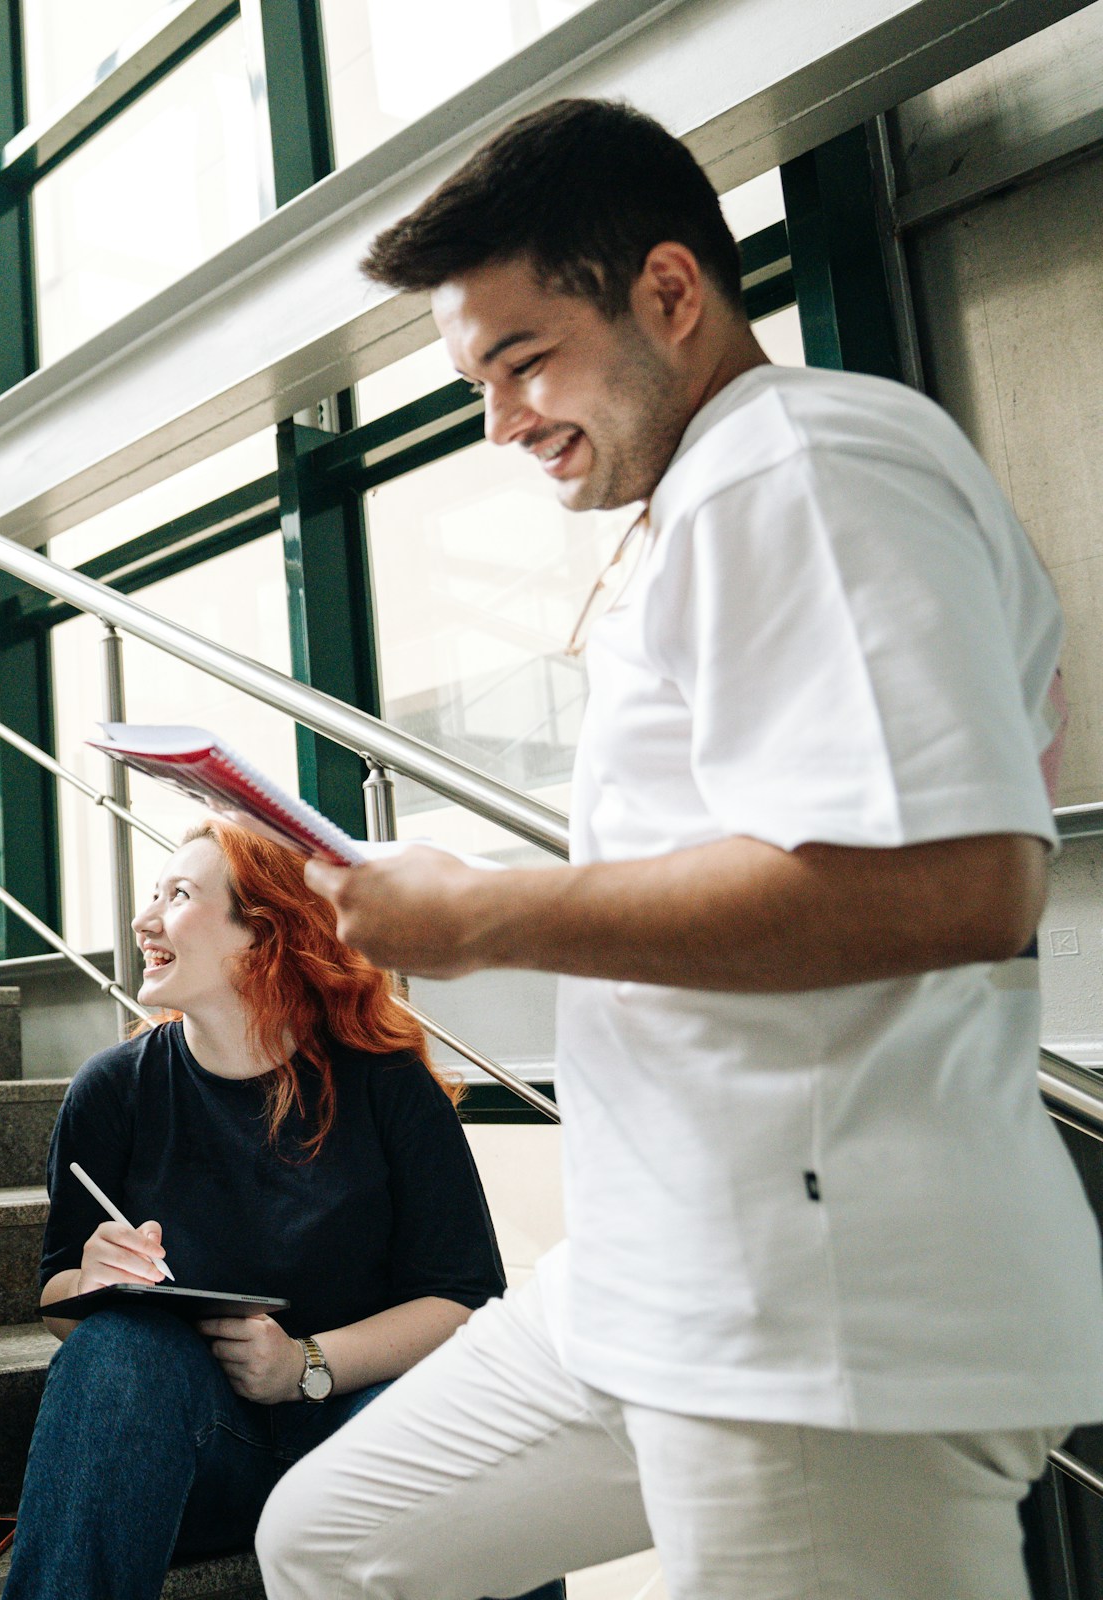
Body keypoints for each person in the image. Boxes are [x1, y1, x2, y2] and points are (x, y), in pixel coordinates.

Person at [250, 99, 1103, 1600]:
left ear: (668, 290)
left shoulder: (806, 466)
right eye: (478, 381)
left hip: (819, 1317)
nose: (502, 420)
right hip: (665, 1271)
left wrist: (494, 916)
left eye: (524, 362)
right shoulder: (710, 498)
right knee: (333, 1541)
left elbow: (954, 882)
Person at [5, 820, 560, 1600]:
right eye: (151, 894)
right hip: (191, 1450)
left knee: (490, 1437)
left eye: (180, 895)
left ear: (263, 935)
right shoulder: (113, 1089)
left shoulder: (384, 1082)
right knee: (117, 1348)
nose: (144, 919)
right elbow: (58, 1301)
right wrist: (92, 1282)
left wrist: (306, 1366)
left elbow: (463, 1300)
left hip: (356, 1432)